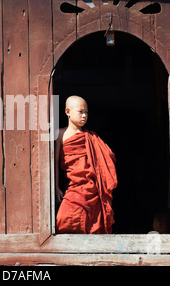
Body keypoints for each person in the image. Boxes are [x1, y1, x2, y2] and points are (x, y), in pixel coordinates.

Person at [55, 96, 117, 234]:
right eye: (80, 112)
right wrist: (56, 187)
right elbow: (53, 163)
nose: (84, 116)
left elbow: (104, 162)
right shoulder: (59, 134)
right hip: (75, 187)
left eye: (87, 112)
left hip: (92, 188)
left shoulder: (91, 137)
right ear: (67, 111)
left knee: (93, 224)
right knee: (63, 219)